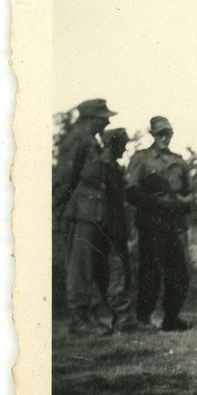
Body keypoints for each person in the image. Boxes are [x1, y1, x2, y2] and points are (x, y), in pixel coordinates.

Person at [52, 98, 117, 336]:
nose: (108, 121)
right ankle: (80, 320)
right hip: (79, 214)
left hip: (91, 214)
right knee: (80, 268)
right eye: (103, 118)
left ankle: (87, 316)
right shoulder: (78, 140)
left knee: (90, 266)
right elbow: (64, 178)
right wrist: (53, 210)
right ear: (90, 118)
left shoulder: (89, 140)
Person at [126, 116, 194, 331]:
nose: (164, 137)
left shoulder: (179, 160)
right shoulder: (141, 159)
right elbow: (131, 192)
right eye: (160, 134)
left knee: (179, 272)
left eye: (168, 133)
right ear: (153, 135)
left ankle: (171, 317)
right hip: (151, 222)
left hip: (175, 224)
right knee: (150, 271)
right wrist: (157, 201)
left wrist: (185, 201)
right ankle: (143, 318)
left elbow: (189, 191)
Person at [96, 128, 140, 333]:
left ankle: (121, 318)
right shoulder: (102, 168)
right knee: (116, 273)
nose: (125, 148)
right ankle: (122, 319)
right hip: (108, 229)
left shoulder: (113, 167)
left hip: (117, 228)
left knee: (119, 272)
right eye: (122, 144)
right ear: (113, 145)